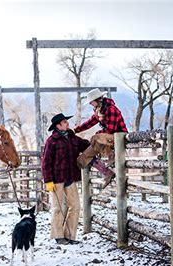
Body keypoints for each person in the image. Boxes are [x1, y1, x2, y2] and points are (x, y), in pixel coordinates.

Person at [41, 113, 90, 245]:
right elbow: (46, 162)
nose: (67, 124)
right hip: (56, 180)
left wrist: (97, 142)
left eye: (67, 122)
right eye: (64, 122)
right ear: (58, 126)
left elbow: (86, 145)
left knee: (75, 206)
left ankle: (70, 236)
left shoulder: (73, 138)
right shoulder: (51, 141)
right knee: (58, 208)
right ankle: (58, 236)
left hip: (71, 178)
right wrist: (48, 181)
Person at [74, 88, 128, 189]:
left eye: (91, 102)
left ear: (97, 100)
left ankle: (111, 156)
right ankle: (107, 173)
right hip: (106, 139)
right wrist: (75, 130)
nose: (90, 104)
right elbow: (89, 123)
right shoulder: (99, 111)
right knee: (82, 159)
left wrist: (97, 135)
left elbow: (111, 129)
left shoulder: (111, 109)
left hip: (118, 137)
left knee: (96, 137)